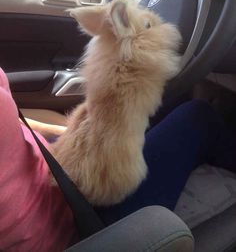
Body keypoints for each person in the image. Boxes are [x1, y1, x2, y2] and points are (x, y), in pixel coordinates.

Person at [1, 66, 236, 251]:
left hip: (52, 168)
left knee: (148, 108)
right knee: (197, 117)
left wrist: (68, 133)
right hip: (77, 223)